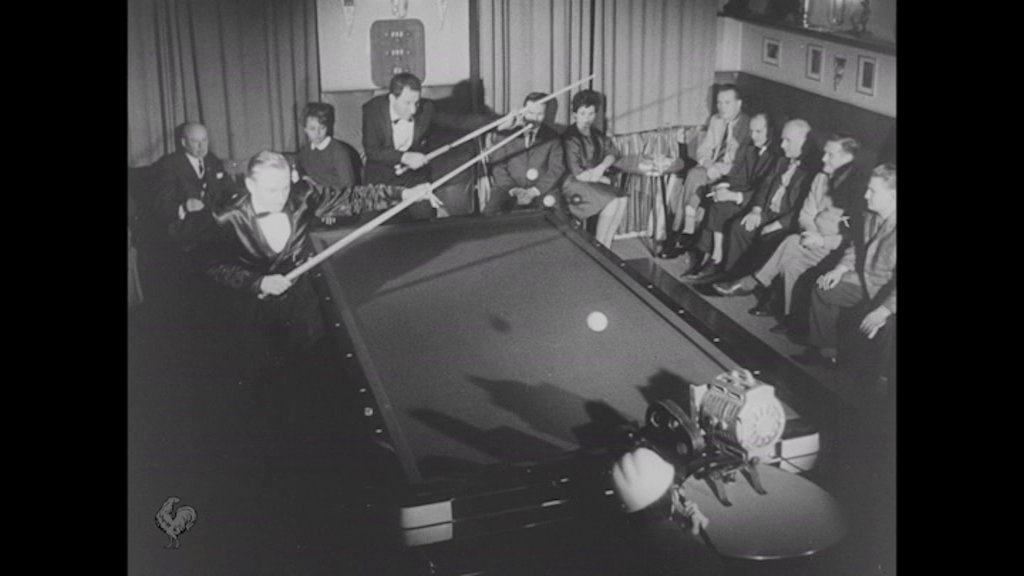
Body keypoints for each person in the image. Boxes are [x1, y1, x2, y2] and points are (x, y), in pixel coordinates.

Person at [204, 150, 437, 381]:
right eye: (272, 190)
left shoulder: (302, 197)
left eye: (285, 188)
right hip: (255, 320)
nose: (280, 198)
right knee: (265, 386)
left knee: (312, 378)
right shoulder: (226, 217)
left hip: (303, 313)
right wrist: (258, 282)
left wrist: (403, 193)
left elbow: (352, 197)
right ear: (251, 185)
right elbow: (212, 265)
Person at [713, 135, 867, 331]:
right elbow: (806, 214)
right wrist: (810, 233)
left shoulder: (859, 190)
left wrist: (822, 241)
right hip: (812, 239)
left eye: (830, 155)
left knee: (791, 242)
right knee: (792, 262)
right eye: (824, 153)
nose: (823, 159)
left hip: (836, 250)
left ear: (848, 158)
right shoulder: (820, 178)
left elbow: (855, 240)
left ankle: (752, 281)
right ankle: (793, 318)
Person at [791, 164, 896, 371]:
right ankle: (827, 353)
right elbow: (857, 247)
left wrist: (884, 310)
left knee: (884, 329)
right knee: (824, 288)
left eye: (872, 191)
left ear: (893, 195)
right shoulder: (870, 216)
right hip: (865, 281)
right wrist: (840, 269)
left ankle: (879, 377)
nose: (866, 195)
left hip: (889, 293)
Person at [362, 73, 504, 219]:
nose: (413, 110)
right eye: (407, 103)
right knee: (373, 227)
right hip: (381, 180)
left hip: (413, 179)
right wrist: (404, 157)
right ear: (392, 98)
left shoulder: (426, 108)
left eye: (416, 103)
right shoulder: (373, 110)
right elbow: (372, 151)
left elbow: (459, 121)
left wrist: (498, 123)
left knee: (425, 219)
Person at [701, 119, 815, 286]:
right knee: (740, 227)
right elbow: (765, 186)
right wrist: (756, 210)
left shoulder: (813, 169)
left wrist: (776, 225)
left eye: (787, 141)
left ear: (803, 142)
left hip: (786, 221)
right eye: (782, 140)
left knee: (769, 237)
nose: (782, 145)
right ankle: (732, 275)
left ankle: (750, 283)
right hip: (767, 212)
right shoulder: (782, 160)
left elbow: (801, 209)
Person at [676, 112, 780, 281]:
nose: (753, 136)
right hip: (745, 193)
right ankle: (710, 255)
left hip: (759, 202)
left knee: (722, 206)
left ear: (771, 131)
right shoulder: (750, 150)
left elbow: (765, 191)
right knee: (715, 198)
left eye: (758, 132)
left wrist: (734, 195)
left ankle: (715, 259)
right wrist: (724, 186)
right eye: (751, 131)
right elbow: (739, 177)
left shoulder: (777, 157)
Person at [661, 85, 750, 255]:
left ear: (738, 104)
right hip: (712, 169)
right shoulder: (716, 120)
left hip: (733, 174)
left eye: (727, 103)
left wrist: (719, 168)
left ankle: (683, 232)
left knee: (695, 178)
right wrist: (708, 164)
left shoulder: (748, 125)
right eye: (719, 103)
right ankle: (685, 229)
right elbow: (703, 149)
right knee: (694, 175)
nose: (722, 107)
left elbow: (745, 162)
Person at [562, 90, 628, 248]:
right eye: (583, 114)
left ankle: (607, 244)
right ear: (574, 115)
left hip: (592, 179)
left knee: (622, 198)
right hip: (572, 183)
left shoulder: (596, 134)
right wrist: (601, 177)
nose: (587, 118)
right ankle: (599, 246)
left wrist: (602, 167)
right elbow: (578, 174)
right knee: (612, 200)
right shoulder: (570, 137)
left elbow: (612, 153)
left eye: (591, 114)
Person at [482, 92, 565, 215]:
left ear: (545, 114)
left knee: (559, 217)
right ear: (523, 112)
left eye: (540, 114)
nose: (534, 119)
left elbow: (556, 168)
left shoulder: (553, 137)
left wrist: (534, 191)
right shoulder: (507, 134)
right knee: (489, 215)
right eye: (531, 113)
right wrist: (514, 189)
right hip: (507, 189)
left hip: (542, 190)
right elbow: (498, 168)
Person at [296, 102, 361, 190]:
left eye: (322, 128)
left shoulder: (339, 152)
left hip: (336, 196)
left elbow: (348, 187)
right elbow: (300, 170)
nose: (317, 133)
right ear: (305, 129)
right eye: (312, 129)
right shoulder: (304, 151)